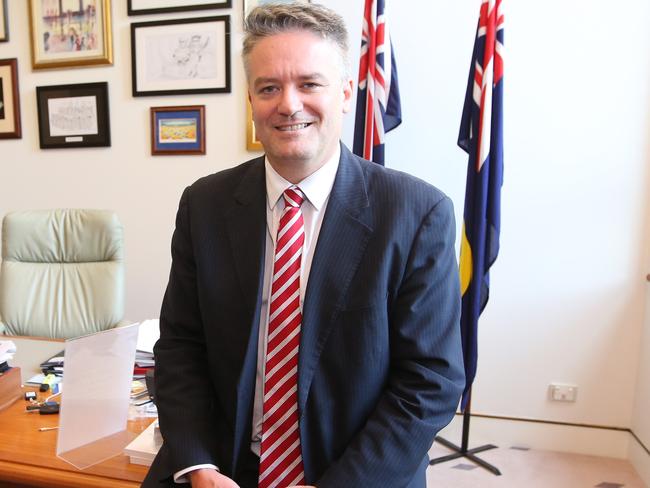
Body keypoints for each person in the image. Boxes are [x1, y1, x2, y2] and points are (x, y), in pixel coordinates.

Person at [142, 3, 464, 488]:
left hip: (354, 472)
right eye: (268, 87)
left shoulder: (417, 212)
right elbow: (181, 346)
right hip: (223, 466)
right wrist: (198, 464)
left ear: (346, 94)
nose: (288, 104)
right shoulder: (204, 204)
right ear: (250, 100)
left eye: (309, 84)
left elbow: (431, 381)